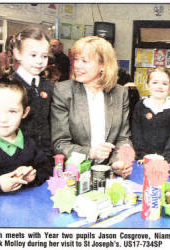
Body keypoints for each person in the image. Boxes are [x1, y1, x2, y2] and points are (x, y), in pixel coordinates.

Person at [51, 36, 132, 178]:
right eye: (76, 59)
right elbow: (59, 143)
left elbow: (123, 138)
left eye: (84, 61)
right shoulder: (63, 91)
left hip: (108, 173)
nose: (77, 66)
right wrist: (90, 152)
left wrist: (119, 162)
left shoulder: (120, 93)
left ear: (103, 65)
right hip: (75, 174)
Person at [11, 27, 54, 162]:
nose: (40, 61)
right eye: (33, 55)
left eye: (44, 56)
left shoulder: (49, 86)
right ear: (18, 53)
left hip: (46, 155)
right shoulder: (9, 86)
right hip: (18, 156)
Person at [131, 66, 170, 159]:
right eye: (155, 82)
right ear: (147, 85)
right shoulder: (140, 106)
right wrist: (143, 155)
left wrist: (166, 156)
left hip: (167, 159)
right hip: (142, 158)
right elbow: (136, 134)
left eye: (164, 83)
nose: (159, 87)